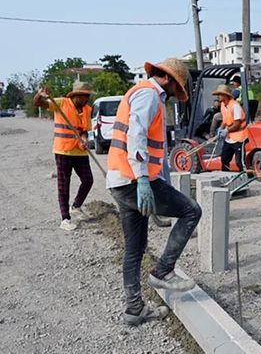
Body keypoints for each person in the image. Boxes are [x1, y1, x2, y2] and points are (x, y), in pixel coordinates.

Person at [106, 58, 202, 326]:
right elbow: (135, 135)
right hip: (135, 180)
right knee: (191, 211)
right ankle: (163, 271)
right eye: (177, 88)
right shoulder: (149, 95)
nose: (175, 95)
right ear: (170, 79)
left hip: (121, 180)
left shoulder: (140, 92)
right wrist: (144, 180)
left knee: (135, 248)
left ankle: (134, 309)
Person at [34, 82, 94, 231]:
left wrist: (85, 138)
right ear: (76, 95)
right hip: (63, 152)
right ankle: (65, 218)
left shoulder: (87, 109)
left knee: (88, 180)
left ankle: (76, 206)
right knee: (63, 185)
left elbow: (84, 130)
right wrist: (39, 95)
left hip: (80, 151)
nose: (87, 99)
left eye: (88, 96)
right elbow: (38, 103)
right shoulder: (60, 103)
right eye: (85, 96)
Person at [214, 84, 248, 171]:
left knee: (239, 162)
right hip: (229, 138)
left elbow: (237, 123)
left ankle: (246, 177)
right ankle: (225, 176)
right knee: (224, 159)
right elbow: (225, 120)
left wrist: (226, 130)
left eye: (220, 94)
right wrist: (221, 128)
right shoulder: (223, 105)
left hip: (239, 137)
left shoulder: (235, 106)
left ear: (226, 95)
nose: (218, 96)